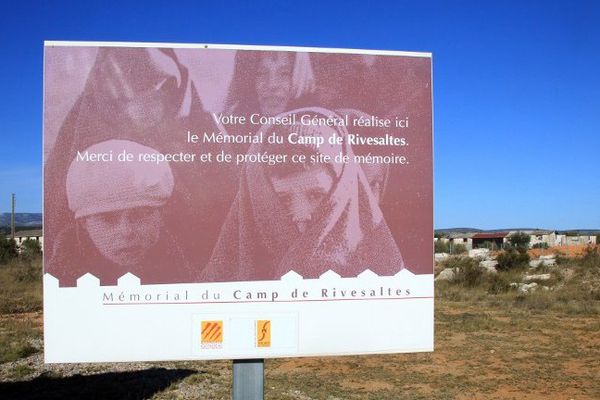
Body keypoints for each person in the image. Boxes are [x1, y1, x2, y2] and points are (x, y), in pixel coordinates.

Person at [44, 47, 236, 270]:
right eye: (125, 96)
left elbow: (227, 214)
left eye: (159, 90)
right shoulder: (81, 147)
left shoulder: (201, 136)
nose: (143, 103)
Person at [202, 108, 404, 282]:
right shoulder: (221, 274)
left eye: (316, 195)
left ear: (342, 193)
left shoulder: (385, 271)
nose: (301, 214)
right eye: (283, 199)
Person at [47, 140, 192, 286]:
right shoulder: (62, 279)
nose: (126, 232)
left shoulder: (184, 265)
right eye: (108, 219)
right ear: (84, 223)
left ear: (161, 216)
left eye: (139, 215)